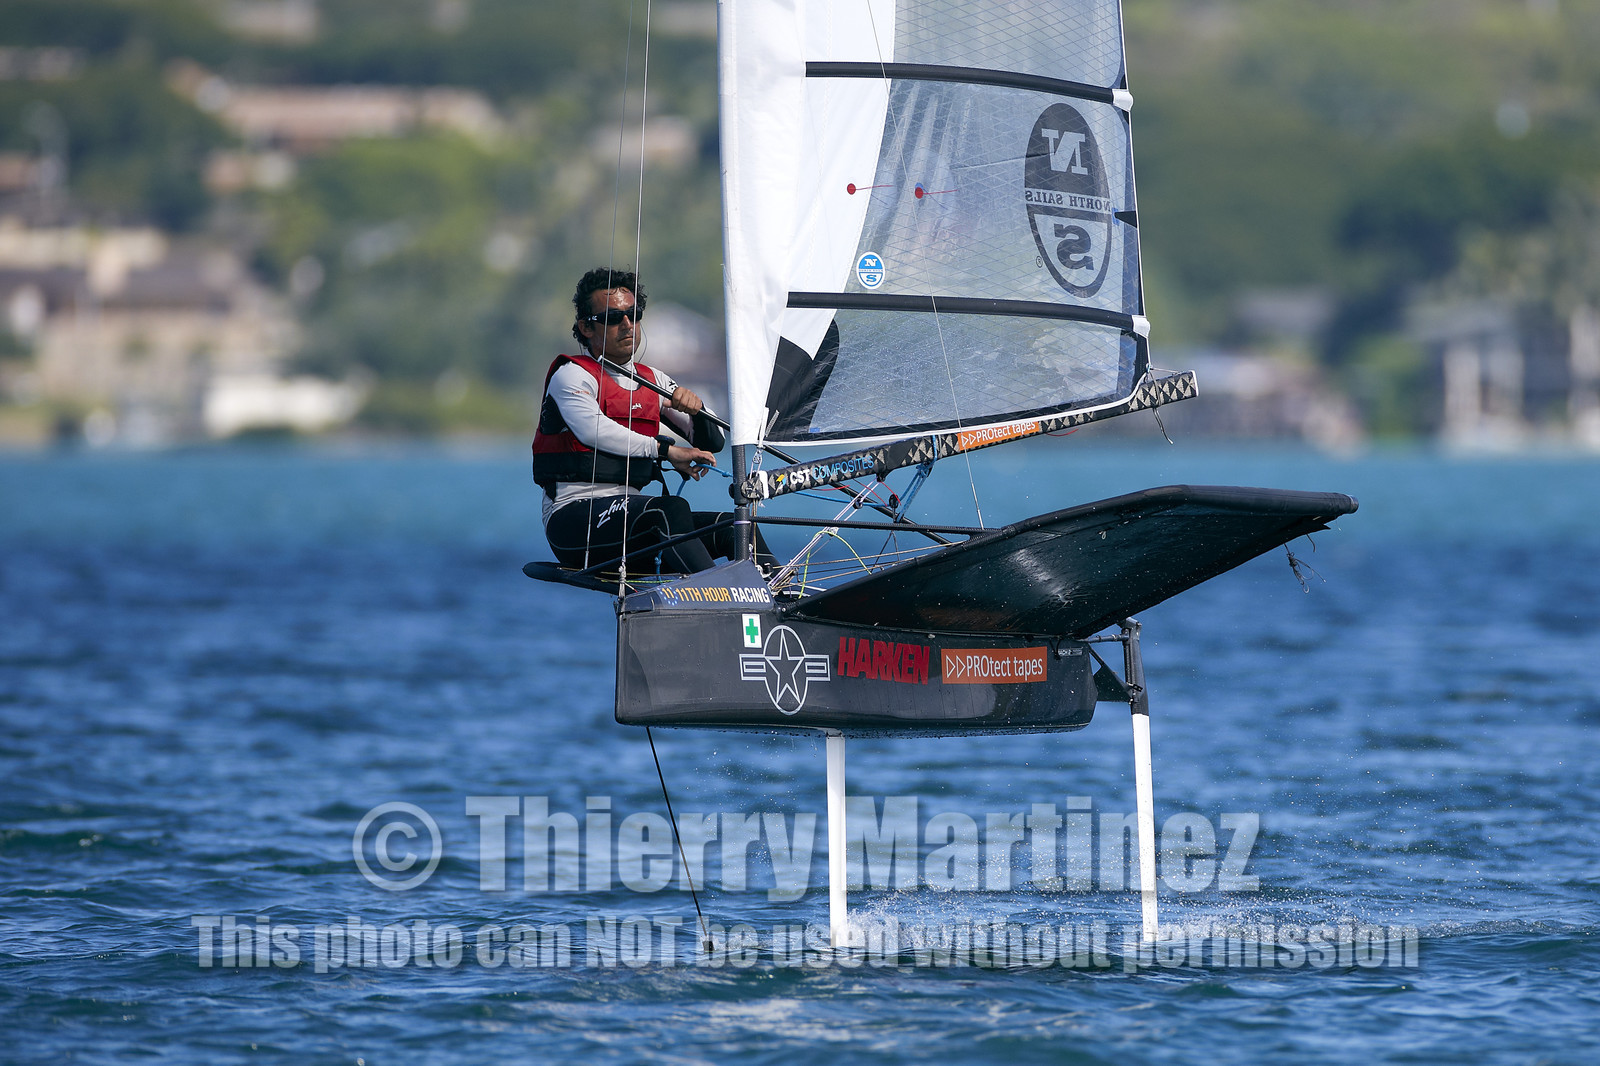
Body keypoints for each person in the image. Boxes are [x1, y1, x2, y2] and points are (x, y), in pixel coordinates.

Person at [533, 267, 772, 574]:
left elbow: (714, 441)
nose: (627, 325)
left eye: (634, 314)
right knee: (669, 510)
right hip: (573, 523)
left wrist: (696, 411)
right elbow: (595, 431)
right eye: (613, 317)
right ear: (586, 327)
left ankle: (783, 596)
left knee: (734, 528)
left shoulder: (653, 380)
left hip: (632, 520)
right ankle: (720, 596)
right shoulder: (572, 376)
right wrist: (665, 450)